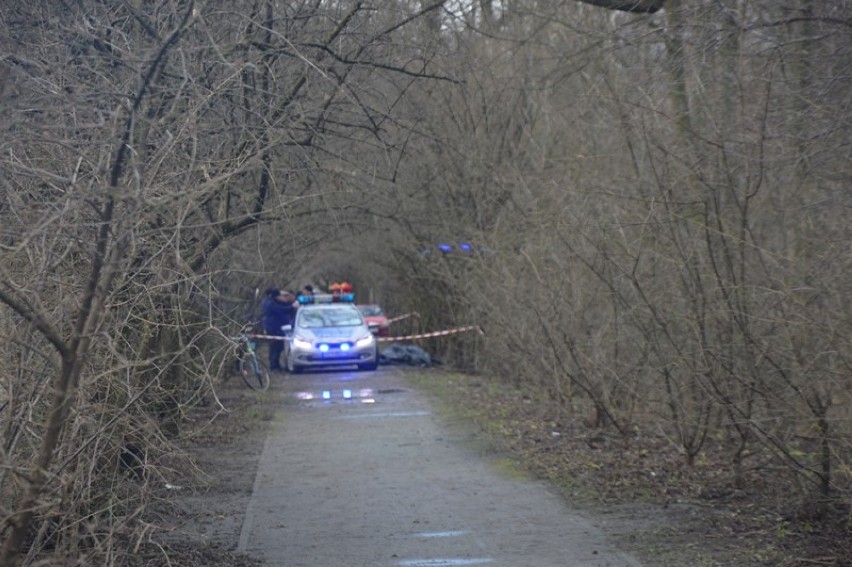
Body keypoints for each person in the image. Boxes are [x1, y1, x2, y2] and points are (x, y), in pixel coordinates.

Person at [261, 288, 298, 372]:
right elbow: (282, 310)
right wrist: (292, 307)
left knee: (277, 347)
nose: (283, 297)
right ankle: (274, 366)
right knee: (275, 347)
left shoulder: (270, 302)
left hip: (275, 328)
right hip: (274, 329)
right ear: (276, 296)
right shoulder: (271, 304)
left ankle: (276, 365)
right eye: (281, 296)